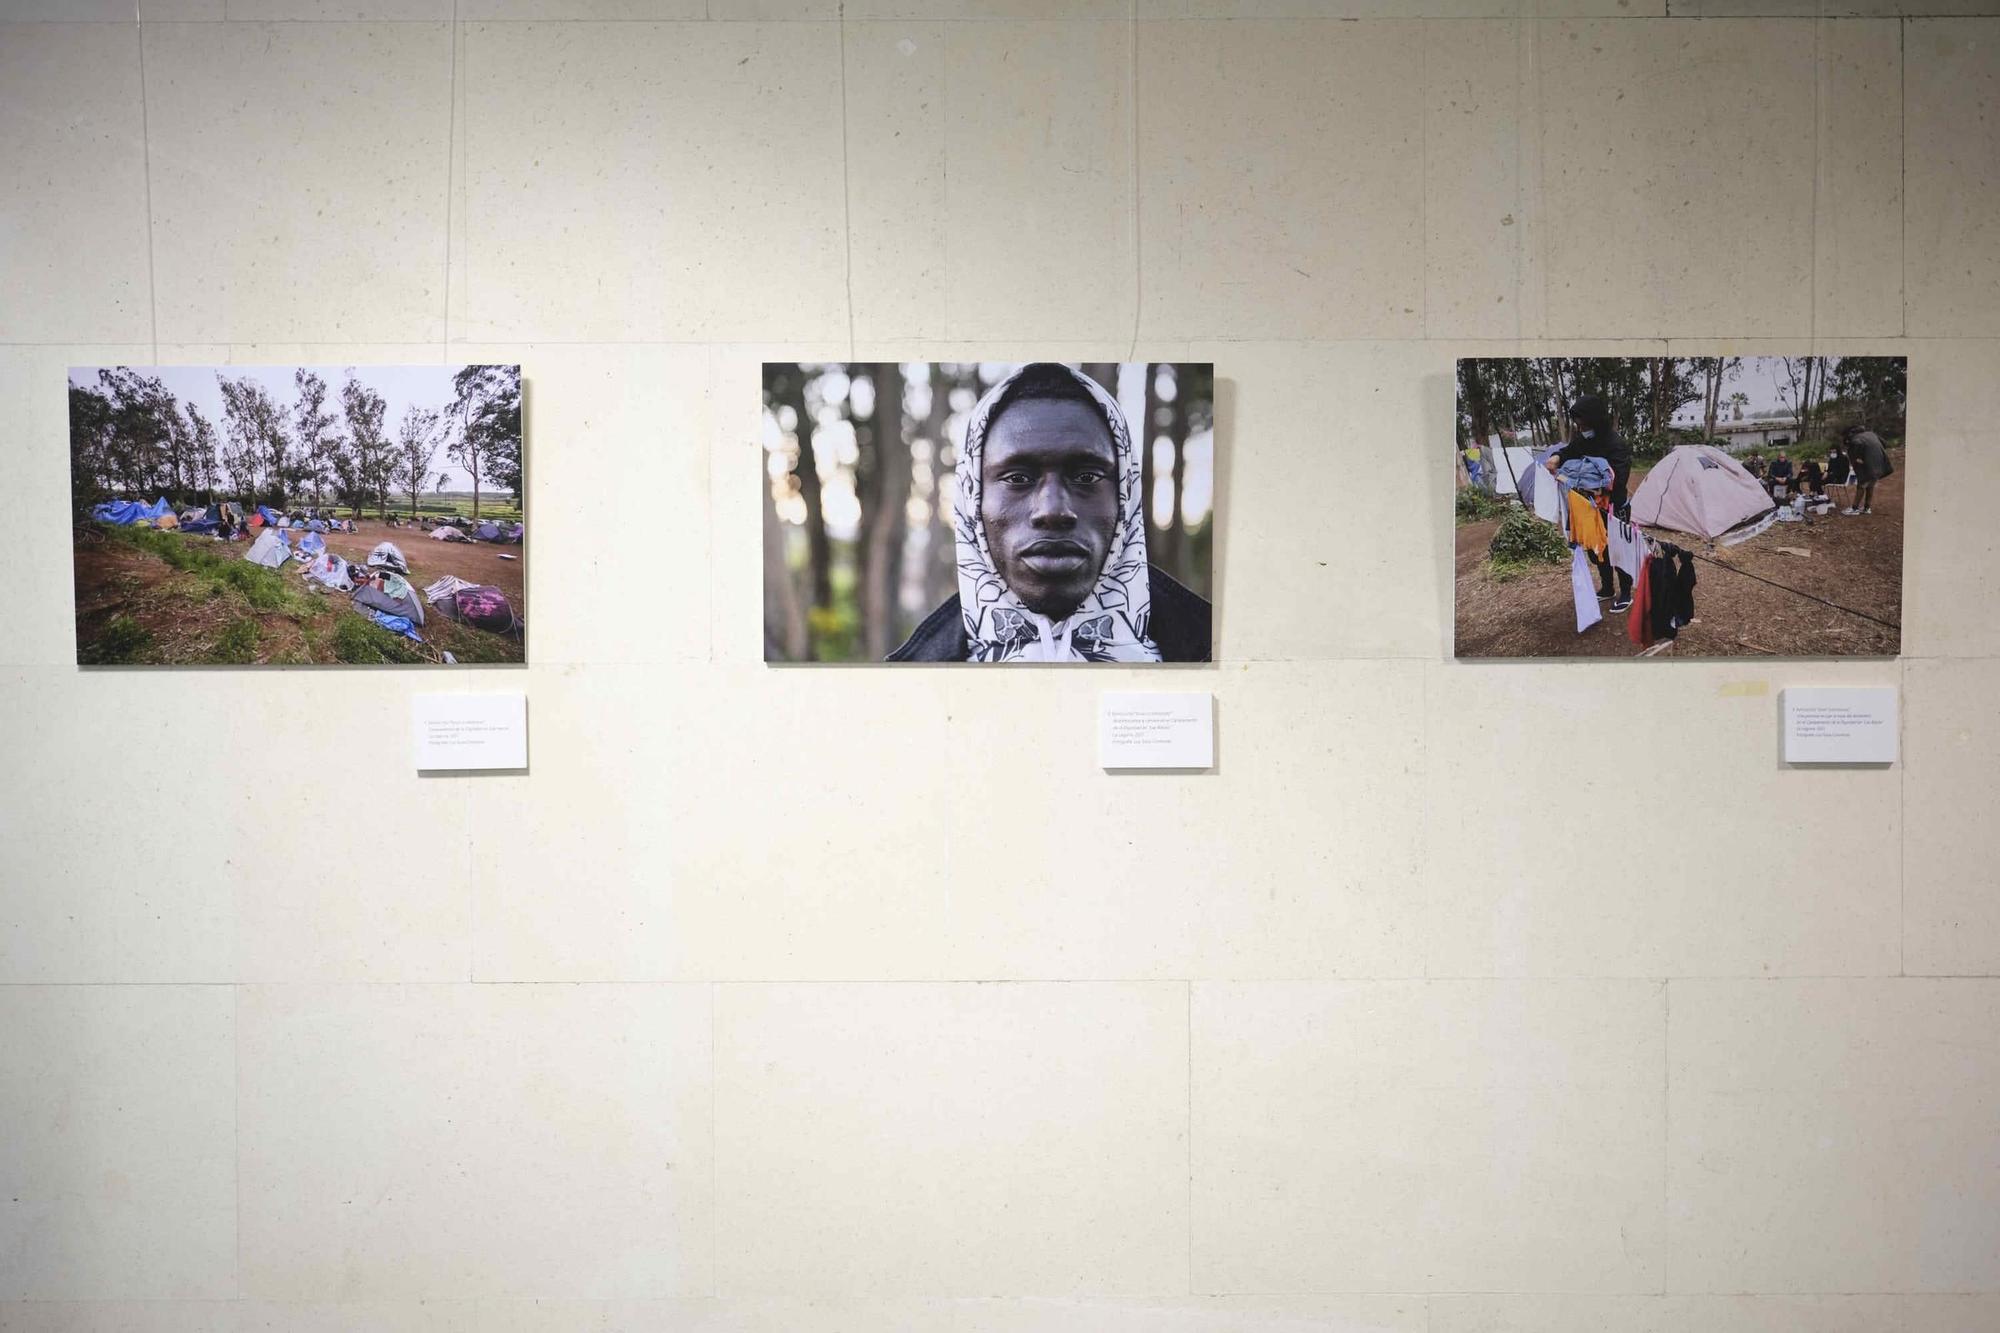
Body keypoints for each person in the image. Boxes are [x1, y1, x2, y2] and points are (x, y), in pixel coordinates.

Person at [888, 362, 1212, 662]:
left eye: (1087, 477)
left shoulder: (1217, 655)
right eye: (1017, 478)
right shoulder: (904, 694)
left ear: (1126, 496)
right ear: (972, 500)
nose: (1053, 511)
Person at [1549, 395, 1633, 613]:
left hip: (1614, 508)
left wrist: (1594, 487)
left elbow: (1619, 480)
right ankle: (1607, 587)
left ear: (1596, 420)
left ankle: (1626, 593)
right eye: (1578, 423)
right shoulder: (1583, 440)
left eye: (1584, 423)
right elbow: (1569, 451)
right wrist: (1557, 457)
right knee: (1597, 549)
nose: (1580, 427)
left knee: (1618, 550)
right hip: (1589, 507)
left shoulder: (1615, 444)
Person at [1843, 424, 1892, 516]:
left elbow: (1857, 445)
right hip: (1880, 463)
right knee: (1870, 485)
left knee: (1862, 485)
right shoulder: (1871, 434)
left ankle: (1854, 508)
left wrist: (1858, 457)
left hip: (1868, 465)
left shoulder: (1855, 438)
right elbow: (1885, 443)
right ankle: (1867, 508)